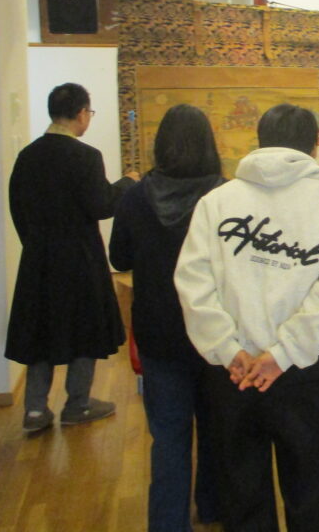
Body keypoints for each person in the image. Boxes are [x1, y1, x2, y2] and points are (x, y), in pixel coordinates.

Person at [174, 104, 319, 532]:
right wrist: (284, 353)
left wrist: (227, 349)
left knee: (242, 499)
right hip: (304, 371)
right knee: (309, 494)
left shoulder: (217, 202)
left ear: (259, 140)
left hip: (234, 373)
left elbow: (192, 283)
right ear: (314, 145)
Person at [109, 104, 224, 532]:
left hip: (158, 330)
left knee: (169, 436)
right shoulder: (225, 195)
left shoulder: (136, 197)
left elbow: (119, 257)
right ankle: (214, 507)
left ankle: (168, 523)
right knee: (217, 429)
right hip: (216, 333)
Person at [6, 83, 138, 434]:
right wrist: (127, 183)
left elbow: (17, 208)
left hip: (38, 260)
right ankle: (77, 405)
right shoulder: (86, 156)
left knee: (40, 331)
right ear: (81, 113)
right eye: (89, 113)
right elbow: (102, 205)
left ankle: (35, 411)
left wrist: (35, 245)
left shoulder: (27, 156)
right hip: (80, 259)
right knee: (85, 328)